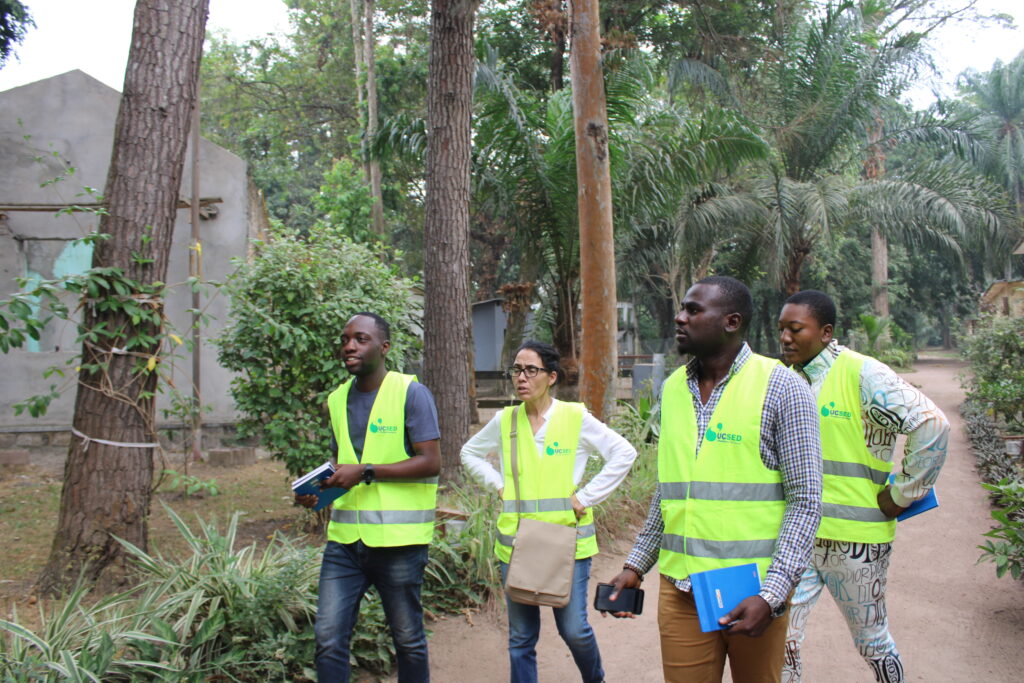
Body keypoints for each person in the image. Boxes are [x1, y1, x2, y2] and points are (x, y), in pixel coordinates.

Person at [606, 275, 823, 683]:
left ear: (731, 322)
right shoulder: (672, 389)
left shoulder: (782, 387)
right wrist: (636, 565)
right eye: (682, 308)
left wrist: (772, 595)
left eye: (693, 309)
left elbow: (806, 499)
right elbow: (670, 491)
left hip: (752, 590)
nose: (679, 317)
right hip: (681, 590)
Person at [776, 290, 949, 683]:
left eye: (795, 329)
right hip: (798, 536)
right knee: (781, 637)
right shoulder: (786, 379)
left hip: (857, 541)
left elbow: (933, 425)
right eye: (781, 329)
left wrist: (905, 492)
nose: (785, 338)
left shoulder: (862, 373)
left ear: (826, 332)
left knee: (872, 641)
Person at [460, 339, 637, 683]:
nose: (521, 377)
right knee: (521, 638)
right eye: (517, 370)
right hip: (517, 544)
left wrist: (586, 497)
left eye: (531, 370)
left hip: (567, 544)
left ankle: (595, 678)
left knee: (574, 630)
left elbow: (624, 453)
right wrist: (499, 485)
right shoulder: (504, 421)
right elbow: (469, 453)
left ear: (551, 377)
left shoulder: (574, 418)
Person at [295, 312, 441, 683]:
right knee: (327, 640)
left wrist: (366, 471)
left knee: (407, 640)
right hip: (344, 543)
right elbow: (341, 459)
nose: (349, 346)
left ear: (384, 347)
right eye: (345, 339)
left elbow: (430, 462)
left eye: (360, 339)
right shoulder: (336, 398)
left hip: (399, 543)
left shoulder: (411, 393)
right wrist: (319, 489)